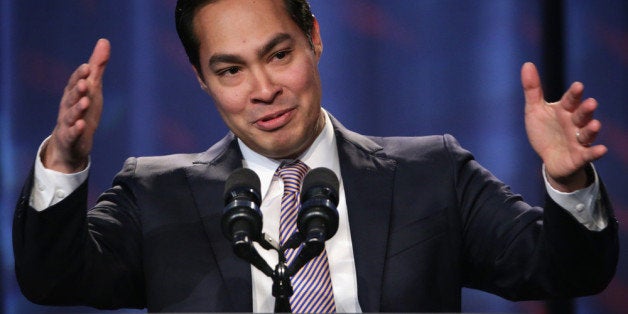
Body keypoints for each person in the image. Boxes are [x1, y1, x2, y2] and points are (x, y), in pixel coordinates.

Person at [13, 0, 618, 312]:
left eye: (278, 55)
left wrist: (568, 181)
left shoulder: (431, 174)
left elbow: (565, 271)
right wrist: (64, 161)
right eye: (230, 69)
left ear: (316, 38)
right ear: (201, 79)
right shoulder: (154, 195)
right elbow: (52, 280)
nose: (262, 89)